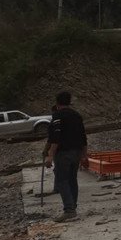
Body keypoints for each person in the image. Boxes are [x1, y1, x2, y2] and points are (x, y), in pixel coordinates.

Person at [44, 91, 88, 222]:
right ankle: (72, 206)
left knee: (62, 180)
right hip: (77, 152)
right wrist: (84, 155)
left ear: (57, 103)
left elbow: (56, 136)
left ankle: (69, 210)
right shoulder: (77, 115)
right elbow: (83, 136)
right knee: (72, 179)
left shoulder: (57, 115)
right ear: (69, 102)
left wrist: (50, 155)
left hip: (63, 153)